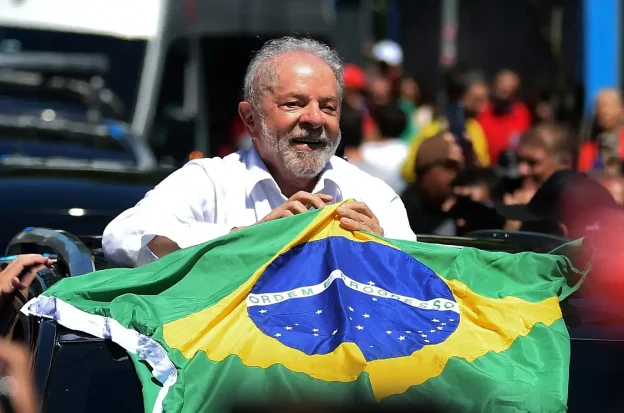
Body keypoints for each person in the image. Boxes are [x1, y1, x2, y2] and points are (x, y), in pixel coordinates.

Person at [102, 36, 417, 268]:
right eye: (293, 104)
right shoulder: (211, 181)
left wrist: (384, 251)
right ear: (250, 120)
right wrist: (249, 238)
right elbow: (123, 237)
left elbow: (419, 281)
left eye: (328, 107)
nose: (314, 119)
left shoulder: (373, 197)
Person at [400, 64, 491, 184]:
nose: (483, 107)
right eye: (477, 100)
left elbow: (484, 173)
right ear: (458, 96)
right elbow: (407, 171)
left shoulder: (475, 128)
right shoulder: (432, 129)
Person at [401, 132, 464, 235]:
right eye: (449, 166)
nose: (455, 175)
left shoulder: (461, 208)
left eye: (458, 168)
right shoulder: (401, 210)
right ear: (427, 169)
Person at [477, 69, 531, 163]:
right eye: (500, 91)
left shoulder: (522, 113)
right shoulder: (481, 111)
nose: (504, 97)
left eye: (509, 92)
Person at [578, 88, 624, 172]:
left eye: (611, 106)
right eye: (601, 106)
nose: (605, 111)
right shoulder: (587, 148)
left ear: (621, 108)